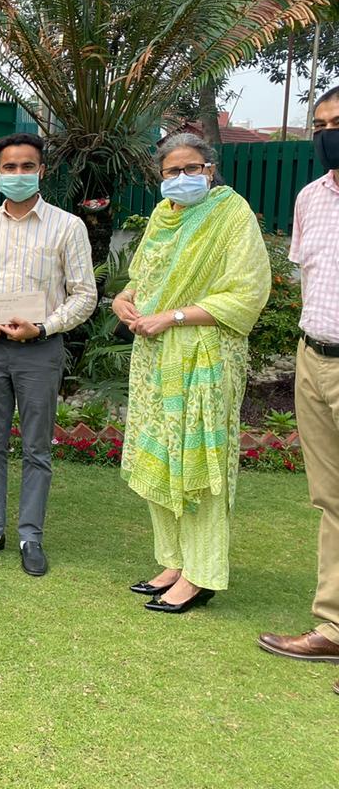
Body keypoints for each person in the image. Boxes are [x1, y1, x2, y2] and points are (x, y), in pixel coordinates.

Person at [113, 132, 269, 613]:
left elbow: (248, 292)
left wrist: (174, 316)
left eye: (192, 169)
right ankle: (175, 561)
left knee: (199, 461)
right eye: (172, 171)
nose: (182, 178)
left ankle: (201, 574)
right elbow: (141, 280)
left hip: (206, 355)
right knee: (161, 455)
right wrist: (123, 300)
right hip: (154, 355)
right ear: (160, 176)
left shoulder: (231, 213)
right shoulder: (162, 216)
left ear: (209, 170)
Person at [0, 132, 96, 576]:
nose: (18, 174)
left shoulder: (68, 226)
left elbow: (84, 295)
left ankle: (31, 536)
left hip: (39, 349)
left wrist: (45, 326)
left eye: (27, 166)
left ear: (41, 171)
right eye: (10, 167)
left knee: (36, 448)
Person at [258, 85, 339, 690]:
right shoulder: (311, 197)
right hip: (313, 358)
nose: (328, 134)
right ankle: (334, 627)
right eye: (321, 125)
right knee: (331, 501)